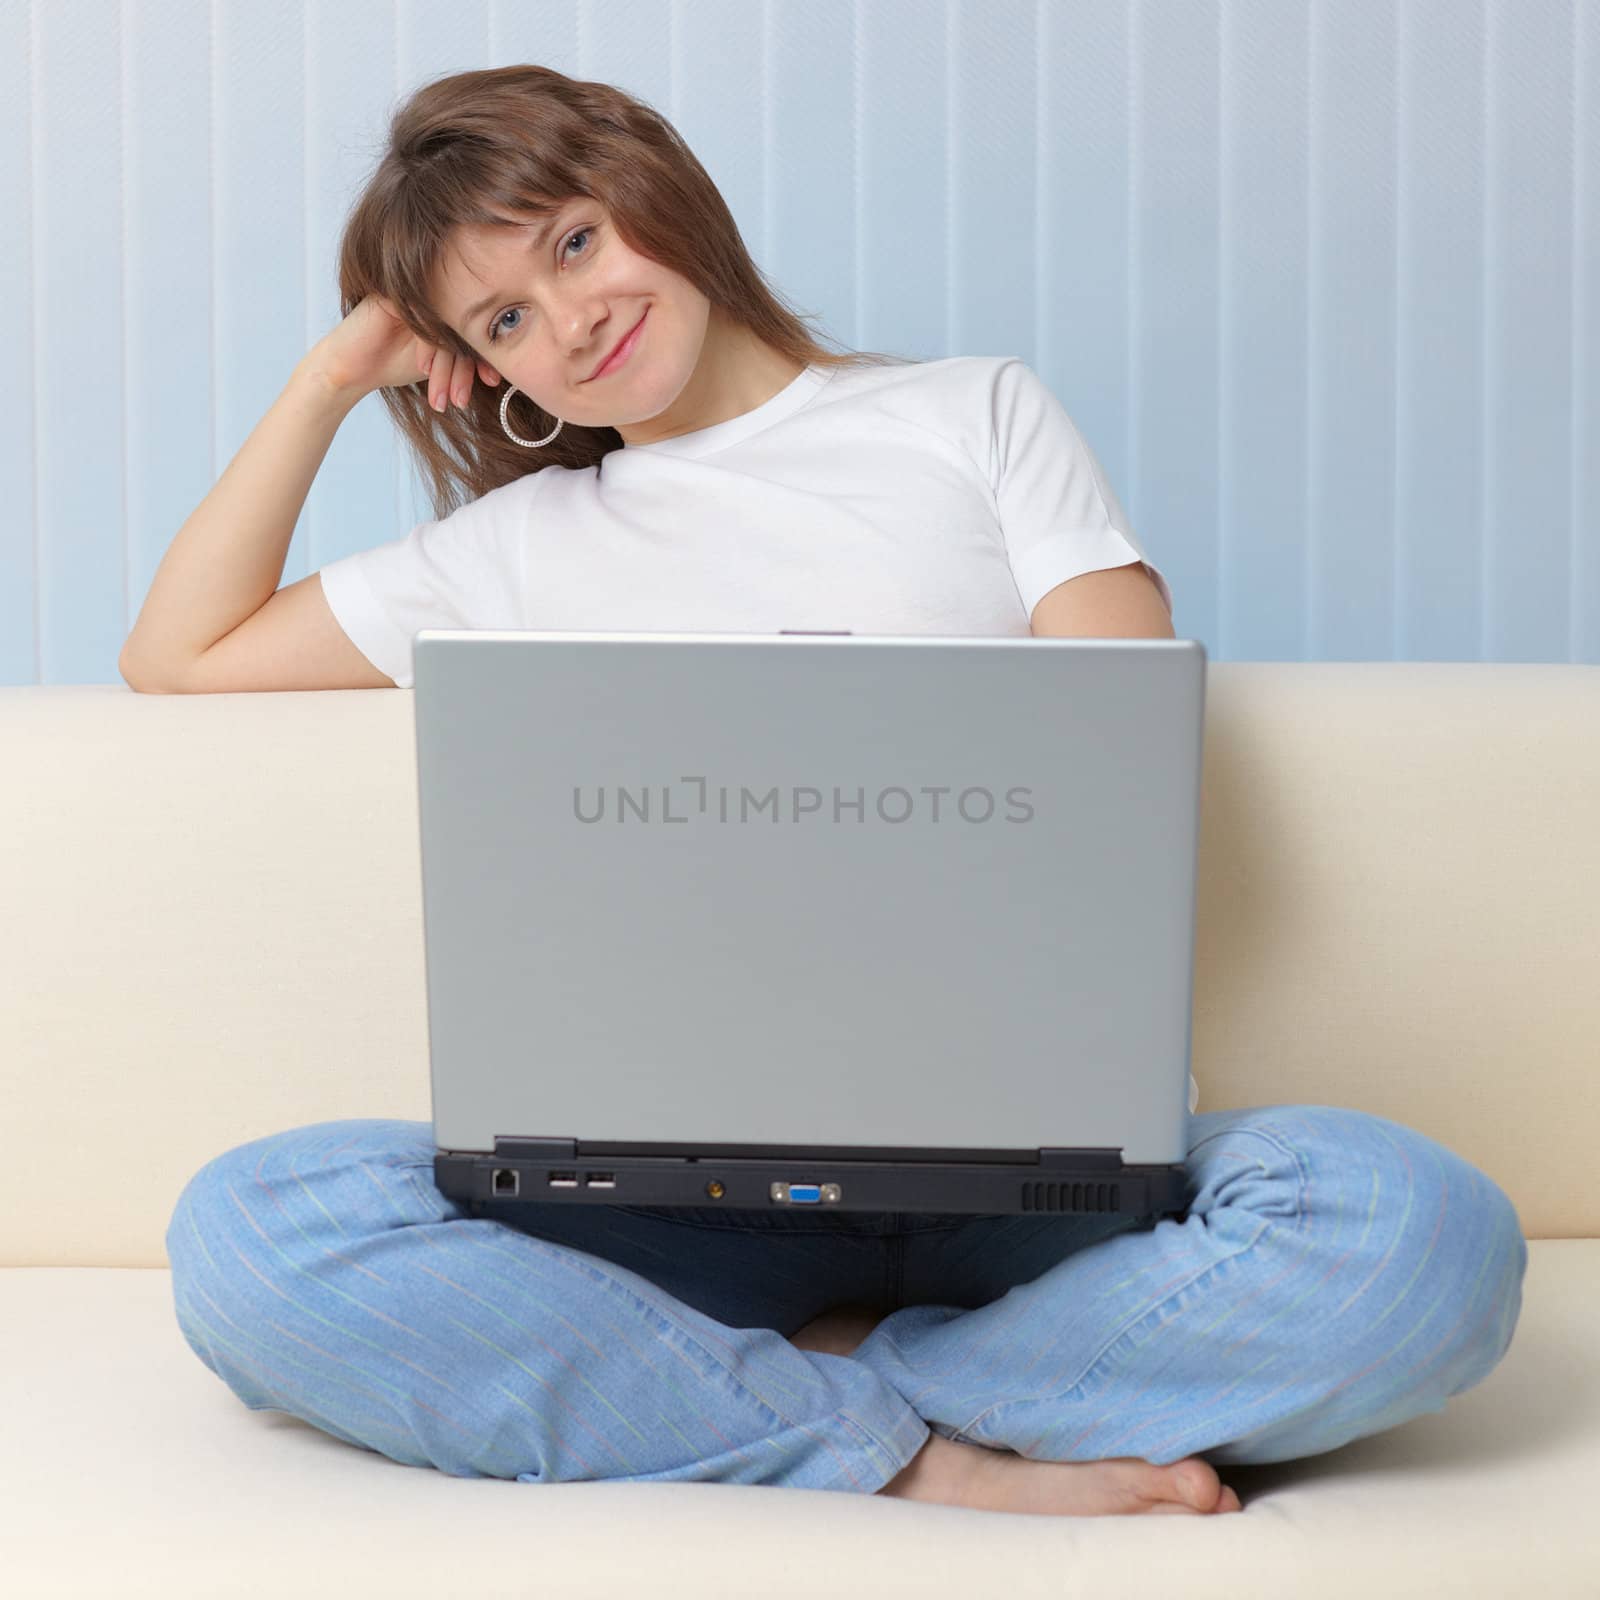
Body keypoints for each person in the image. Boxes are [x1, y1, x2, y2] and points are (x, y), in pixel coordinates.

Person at [140, 66, 1527, 1517]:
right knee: (252, 1233)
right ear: (487, 371)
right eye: (502, 323)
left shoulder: (971, 415)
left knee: (1412, 1231)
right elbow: (178, 653)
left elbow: (1122, 772)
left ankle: (789, 1388)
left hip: (1037, 1187)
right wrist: (332, 378)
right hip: (675, 1201)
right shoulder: (513, 551)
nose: (573, 320)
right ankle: (921, 1453)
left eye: (573, 244)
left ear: (654, 188)